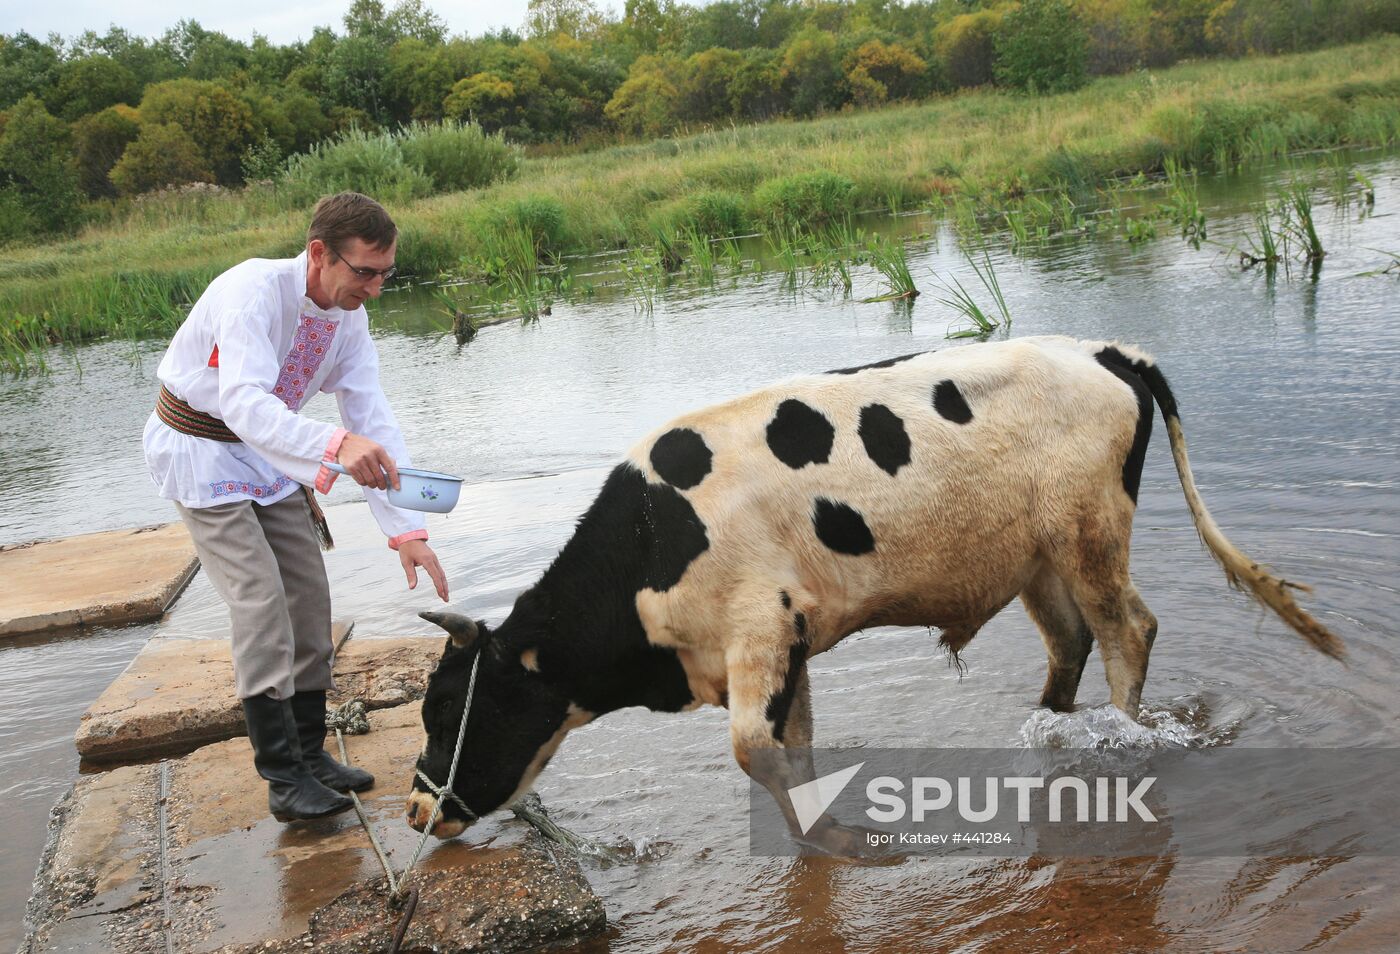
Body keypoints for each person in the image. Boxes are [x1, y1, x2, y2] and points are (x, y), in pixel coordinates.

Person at [143, 192, 449, 822]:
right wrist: (334, 445)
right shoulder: (252, 292)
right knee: (260, 600)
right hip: (201, 451)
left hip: (272, 456)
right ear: (318, 253)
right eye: (364, 272)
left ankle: (310, 751)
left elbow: (372, 420)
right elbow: (246, 403)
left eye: (384, 274)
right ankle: (283, 777)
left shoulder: (350, 318)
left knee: (309, 598)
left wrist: (407, 530)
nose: (375, 288)